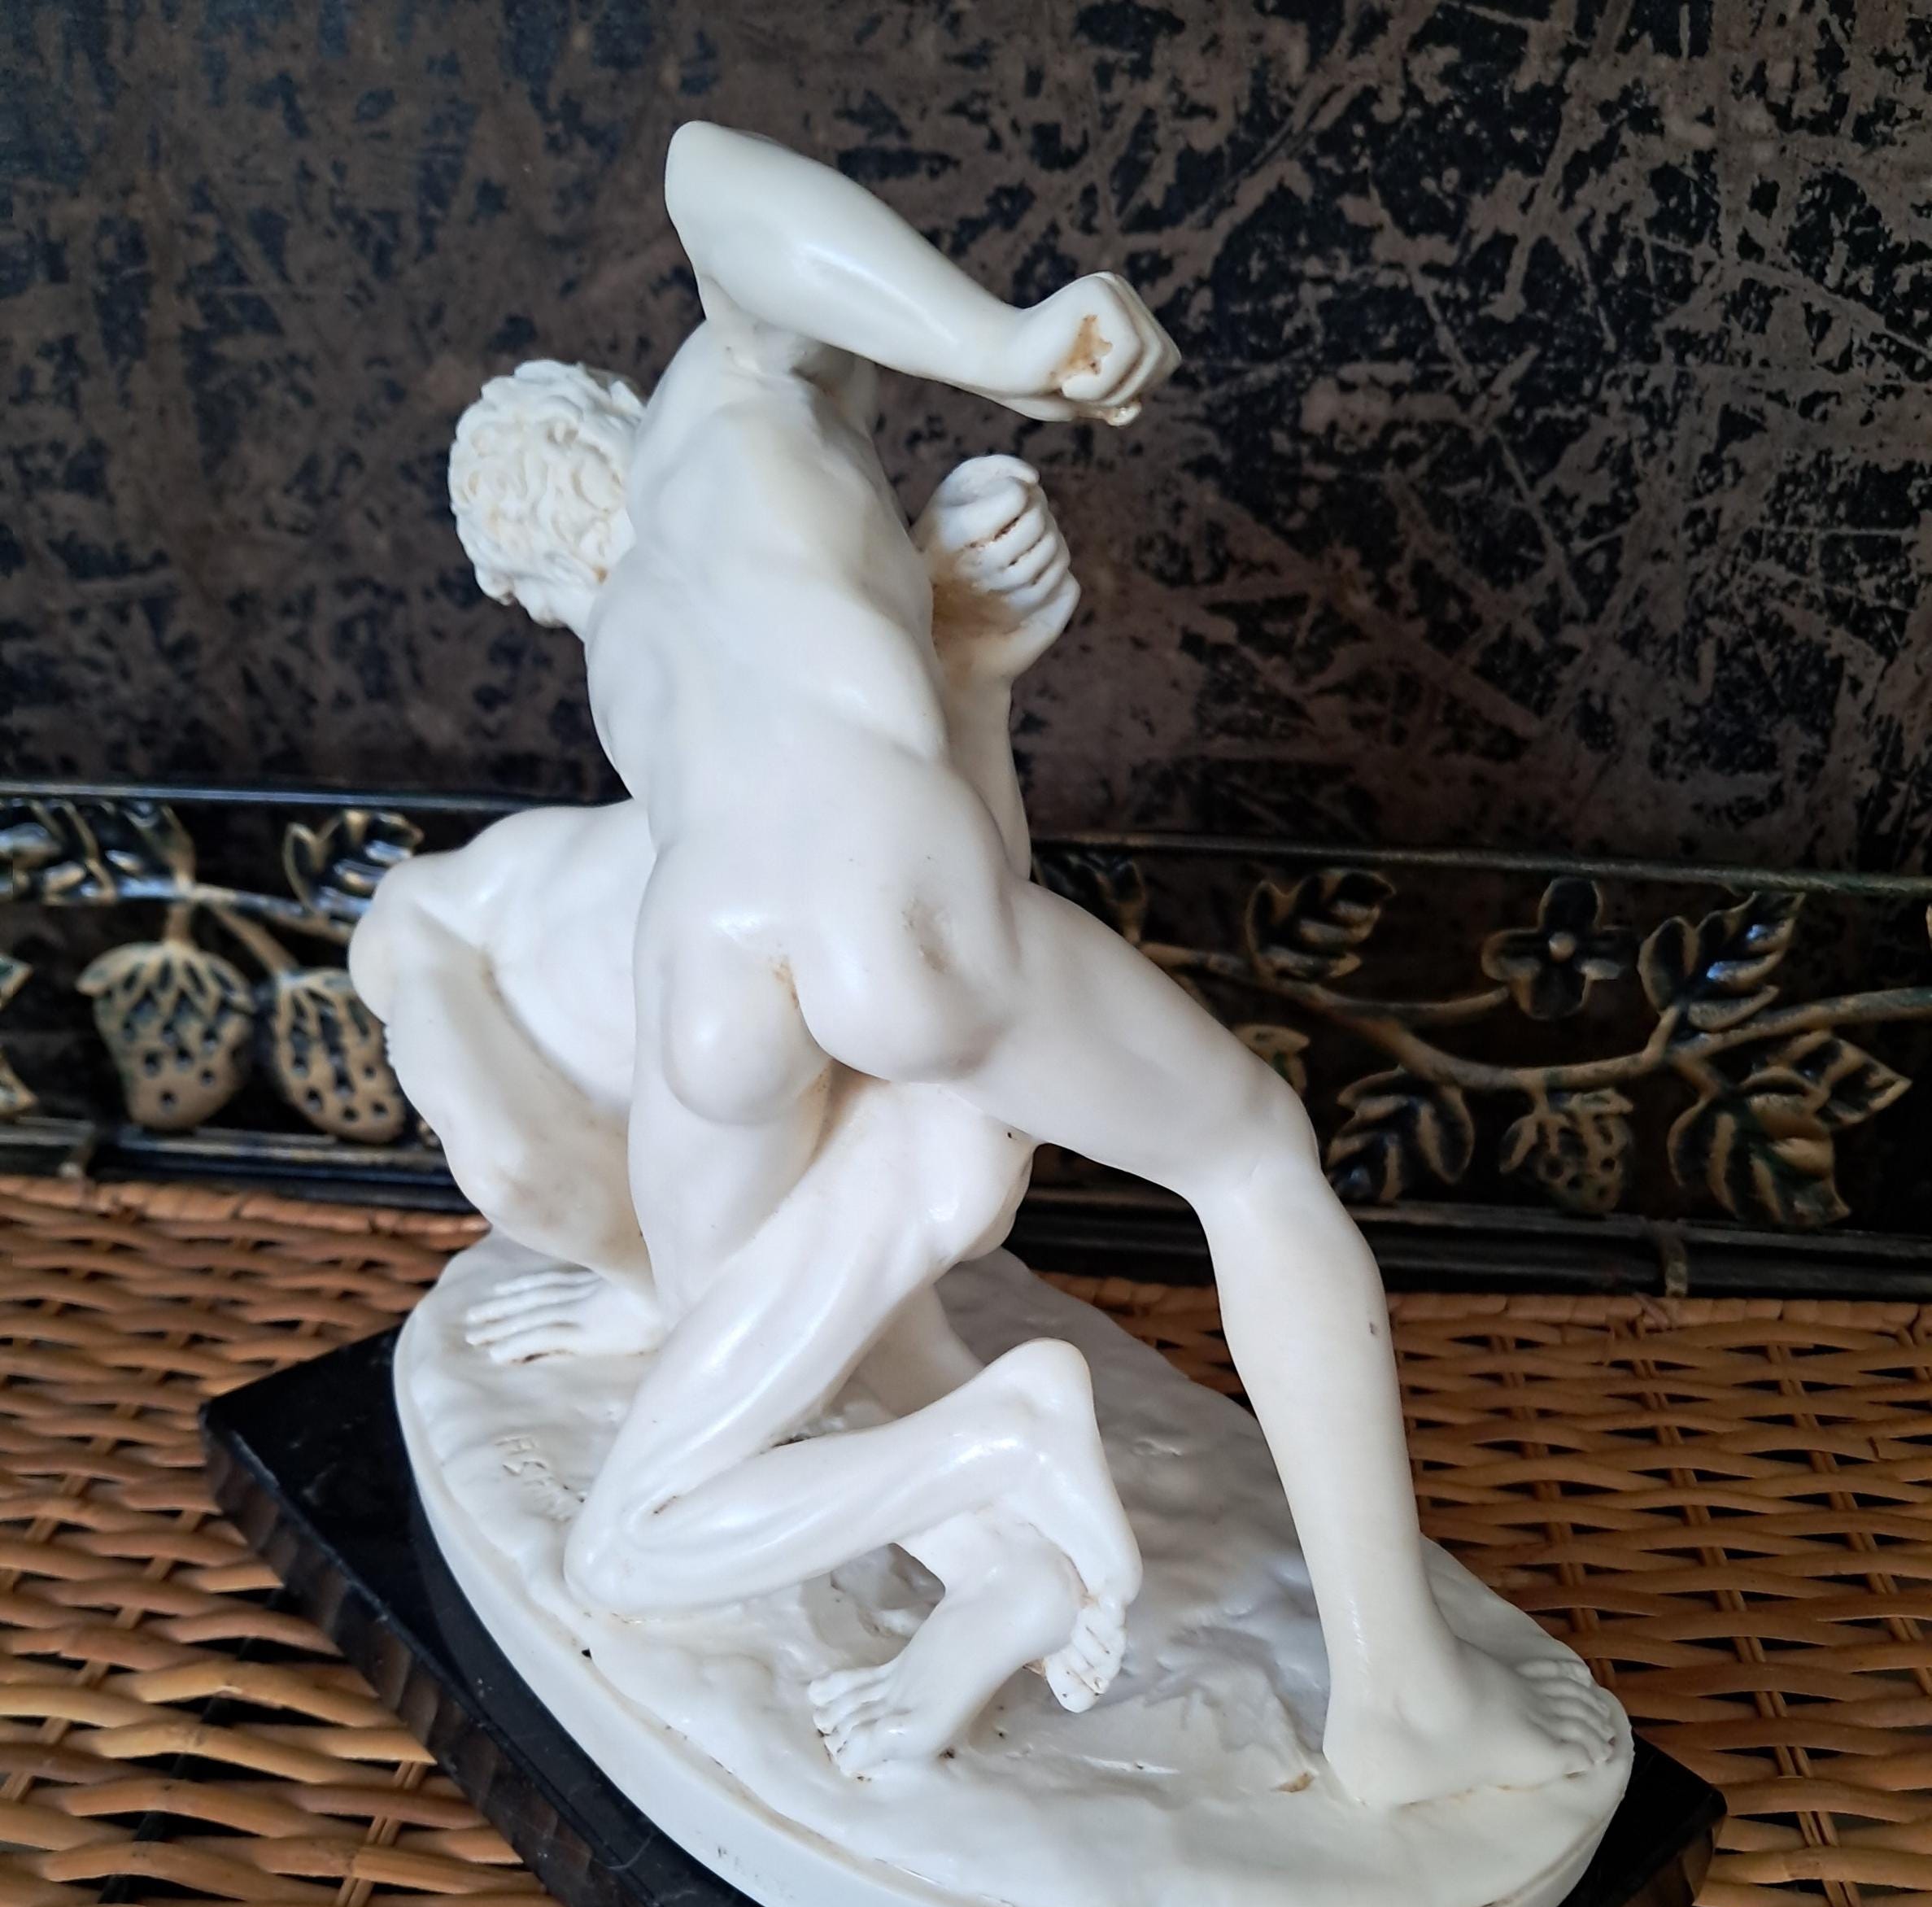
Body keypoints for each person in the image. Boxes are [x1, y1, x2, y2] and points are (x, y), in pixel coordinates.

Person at [366, 123, 1618, 1801]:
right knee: (1252, 1158)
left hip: (705, 981)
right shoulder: (728, 414)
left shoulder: (636, 665)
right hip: (881, 896)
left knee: (770, 1381)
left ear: (530, 589)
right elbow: (708, 176)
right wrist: (1001, 346)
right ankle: (1401, 1700)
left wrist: (972, 662)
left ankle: (1001, 1563)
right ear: (613, 409)